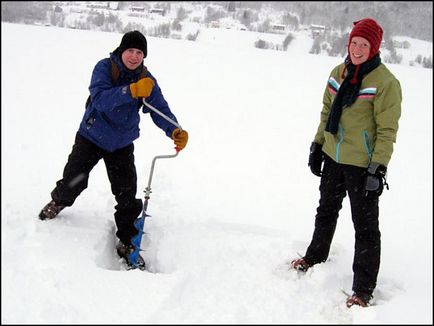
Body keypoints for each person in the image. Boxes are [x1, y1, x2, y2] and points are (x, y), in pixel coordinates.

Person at [38, 30, 189, 269]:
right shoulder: (105, 67)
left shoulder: (146, 79)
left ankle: (126, 240)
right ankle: (58, 202)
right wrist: (130, 91)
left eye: (140, 52)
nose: (134, 56)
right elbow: (100, 99)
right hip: (91, 135)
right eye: (131, 50)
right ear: (122, 50)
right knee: (73, 180)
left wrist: (175, 130)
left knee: (127, 193)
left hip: (121, 143)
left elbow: (159, 108)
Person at [291, 18, 401, 307]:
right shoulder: (338, 72)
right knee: (325, 210)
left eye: (364, 44)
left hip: (362, 164)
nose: (357, 49)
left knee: (365, 227)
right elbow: (327, 112)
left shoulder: (385, 82)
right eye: (354, 42)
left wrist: (378, 167)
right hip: (333, 156)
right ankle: (314, 256)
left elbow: (387, 130)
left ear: (374, 48)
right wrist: (318, 144)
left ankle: (363, 289)